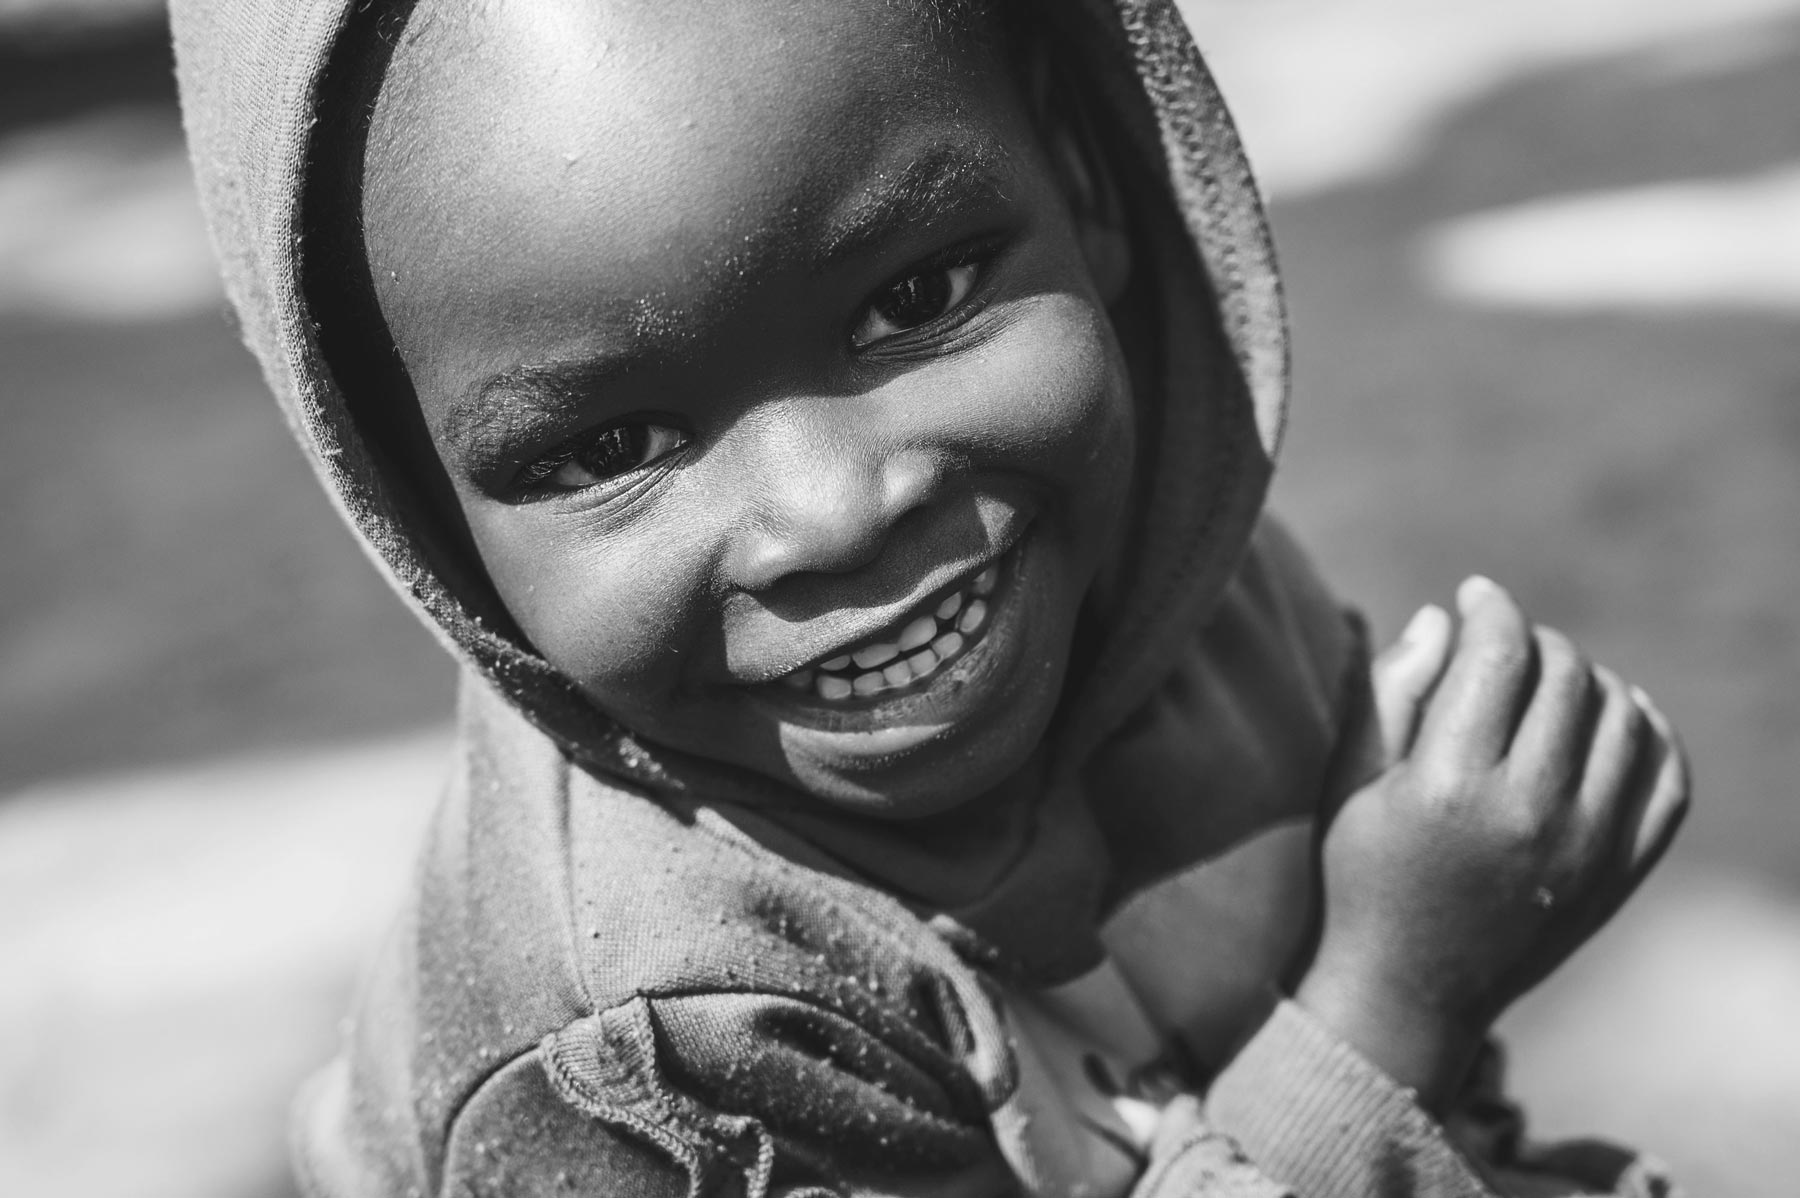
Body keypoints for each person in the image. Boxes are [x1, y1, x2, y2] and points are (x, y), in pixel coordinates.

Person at [170, 0, 1689, 1194]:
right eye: (611, 448)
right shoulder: (643, 1063)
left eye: (918, 299)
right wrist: (1392, 1000)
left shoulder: (1160, 565)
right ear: (425, 514)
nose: (834, 515)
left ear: (1085, 180)